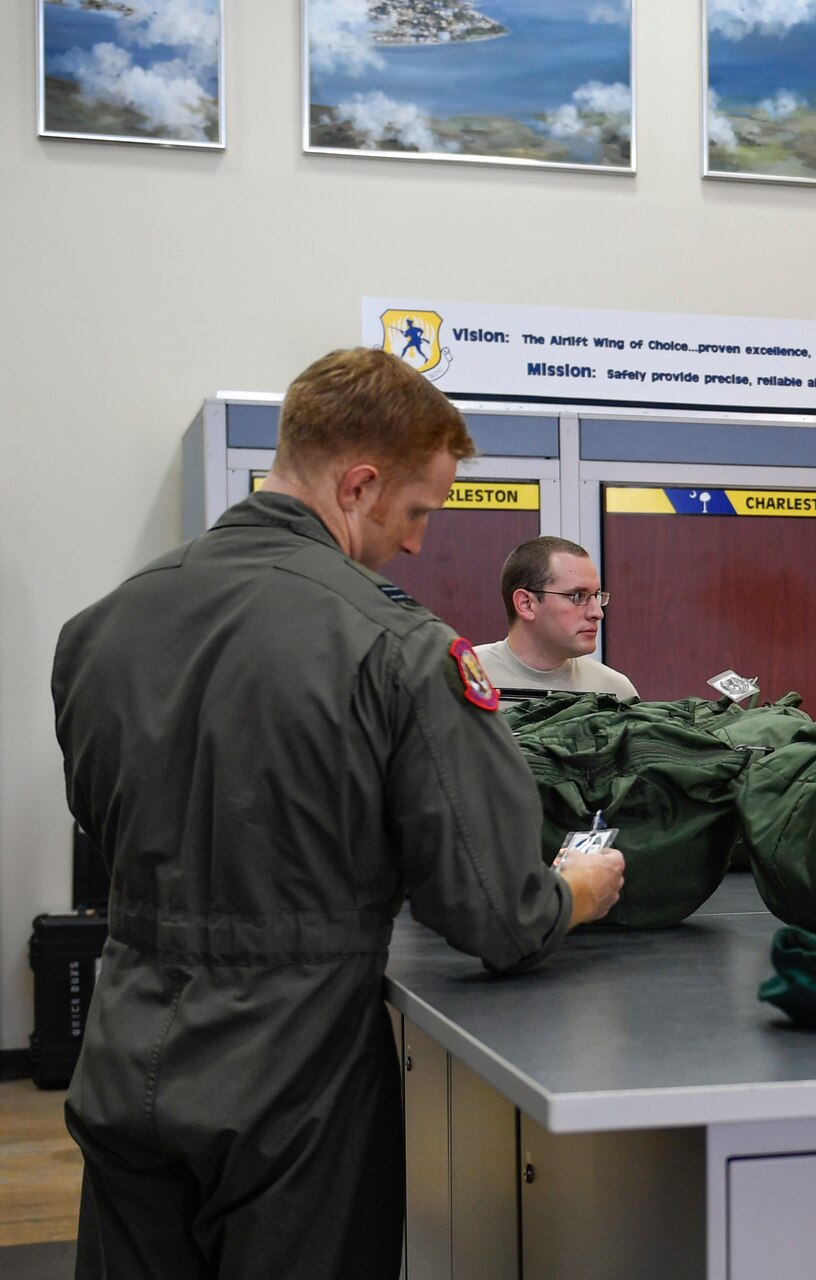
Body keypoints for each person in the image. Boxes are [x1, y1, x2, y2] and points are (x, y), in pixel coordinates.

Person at [50, 347, 627, 1280]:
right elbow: (492, 910)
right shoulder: (397, 646)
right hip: (295, 1078)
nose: (416, 544)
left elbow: (107, 819)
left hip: (123, 1056)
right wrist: (571, 893)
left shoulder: (100, 629)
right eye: (416, 511)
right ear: (358, 485)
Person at [475, 536, 638, 698]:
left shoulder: (615, 692)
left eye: (596, 595)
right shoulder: (462, 678)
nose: (597, 613)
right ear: (526, 604)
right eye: (579, 596)